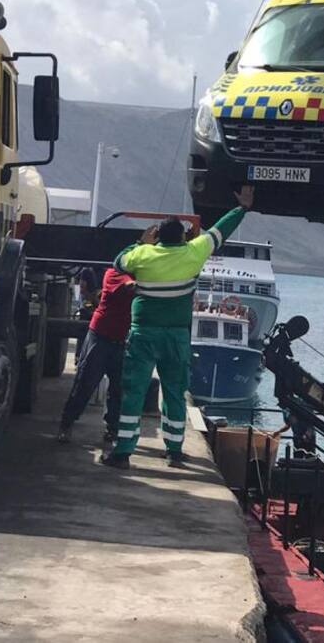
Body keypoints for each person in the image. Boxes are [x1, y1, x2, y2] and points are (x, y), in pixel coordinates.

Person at [101, 186, 254, 469]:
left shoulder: (143, 254)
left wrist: (140, 241)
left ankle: (123, 452)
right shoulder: (194, 252)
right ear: (183, 237)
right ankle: (174, 451)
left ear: (157, 236)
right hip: (177, 336)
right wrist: (242, 208)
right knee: (174, 391)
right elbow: (221, 231)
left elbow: (118, 263)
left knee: (133, 391)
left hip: (144, 333)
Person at [56, 262, 140, 444]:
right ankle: (66, 424)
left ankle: (112, 429)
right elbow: (132, 286)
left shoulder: (139, 276)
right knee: (85, 383)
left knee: (118, 389)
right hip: (101, 338)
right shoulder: (114, 274)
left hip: (121, 341)